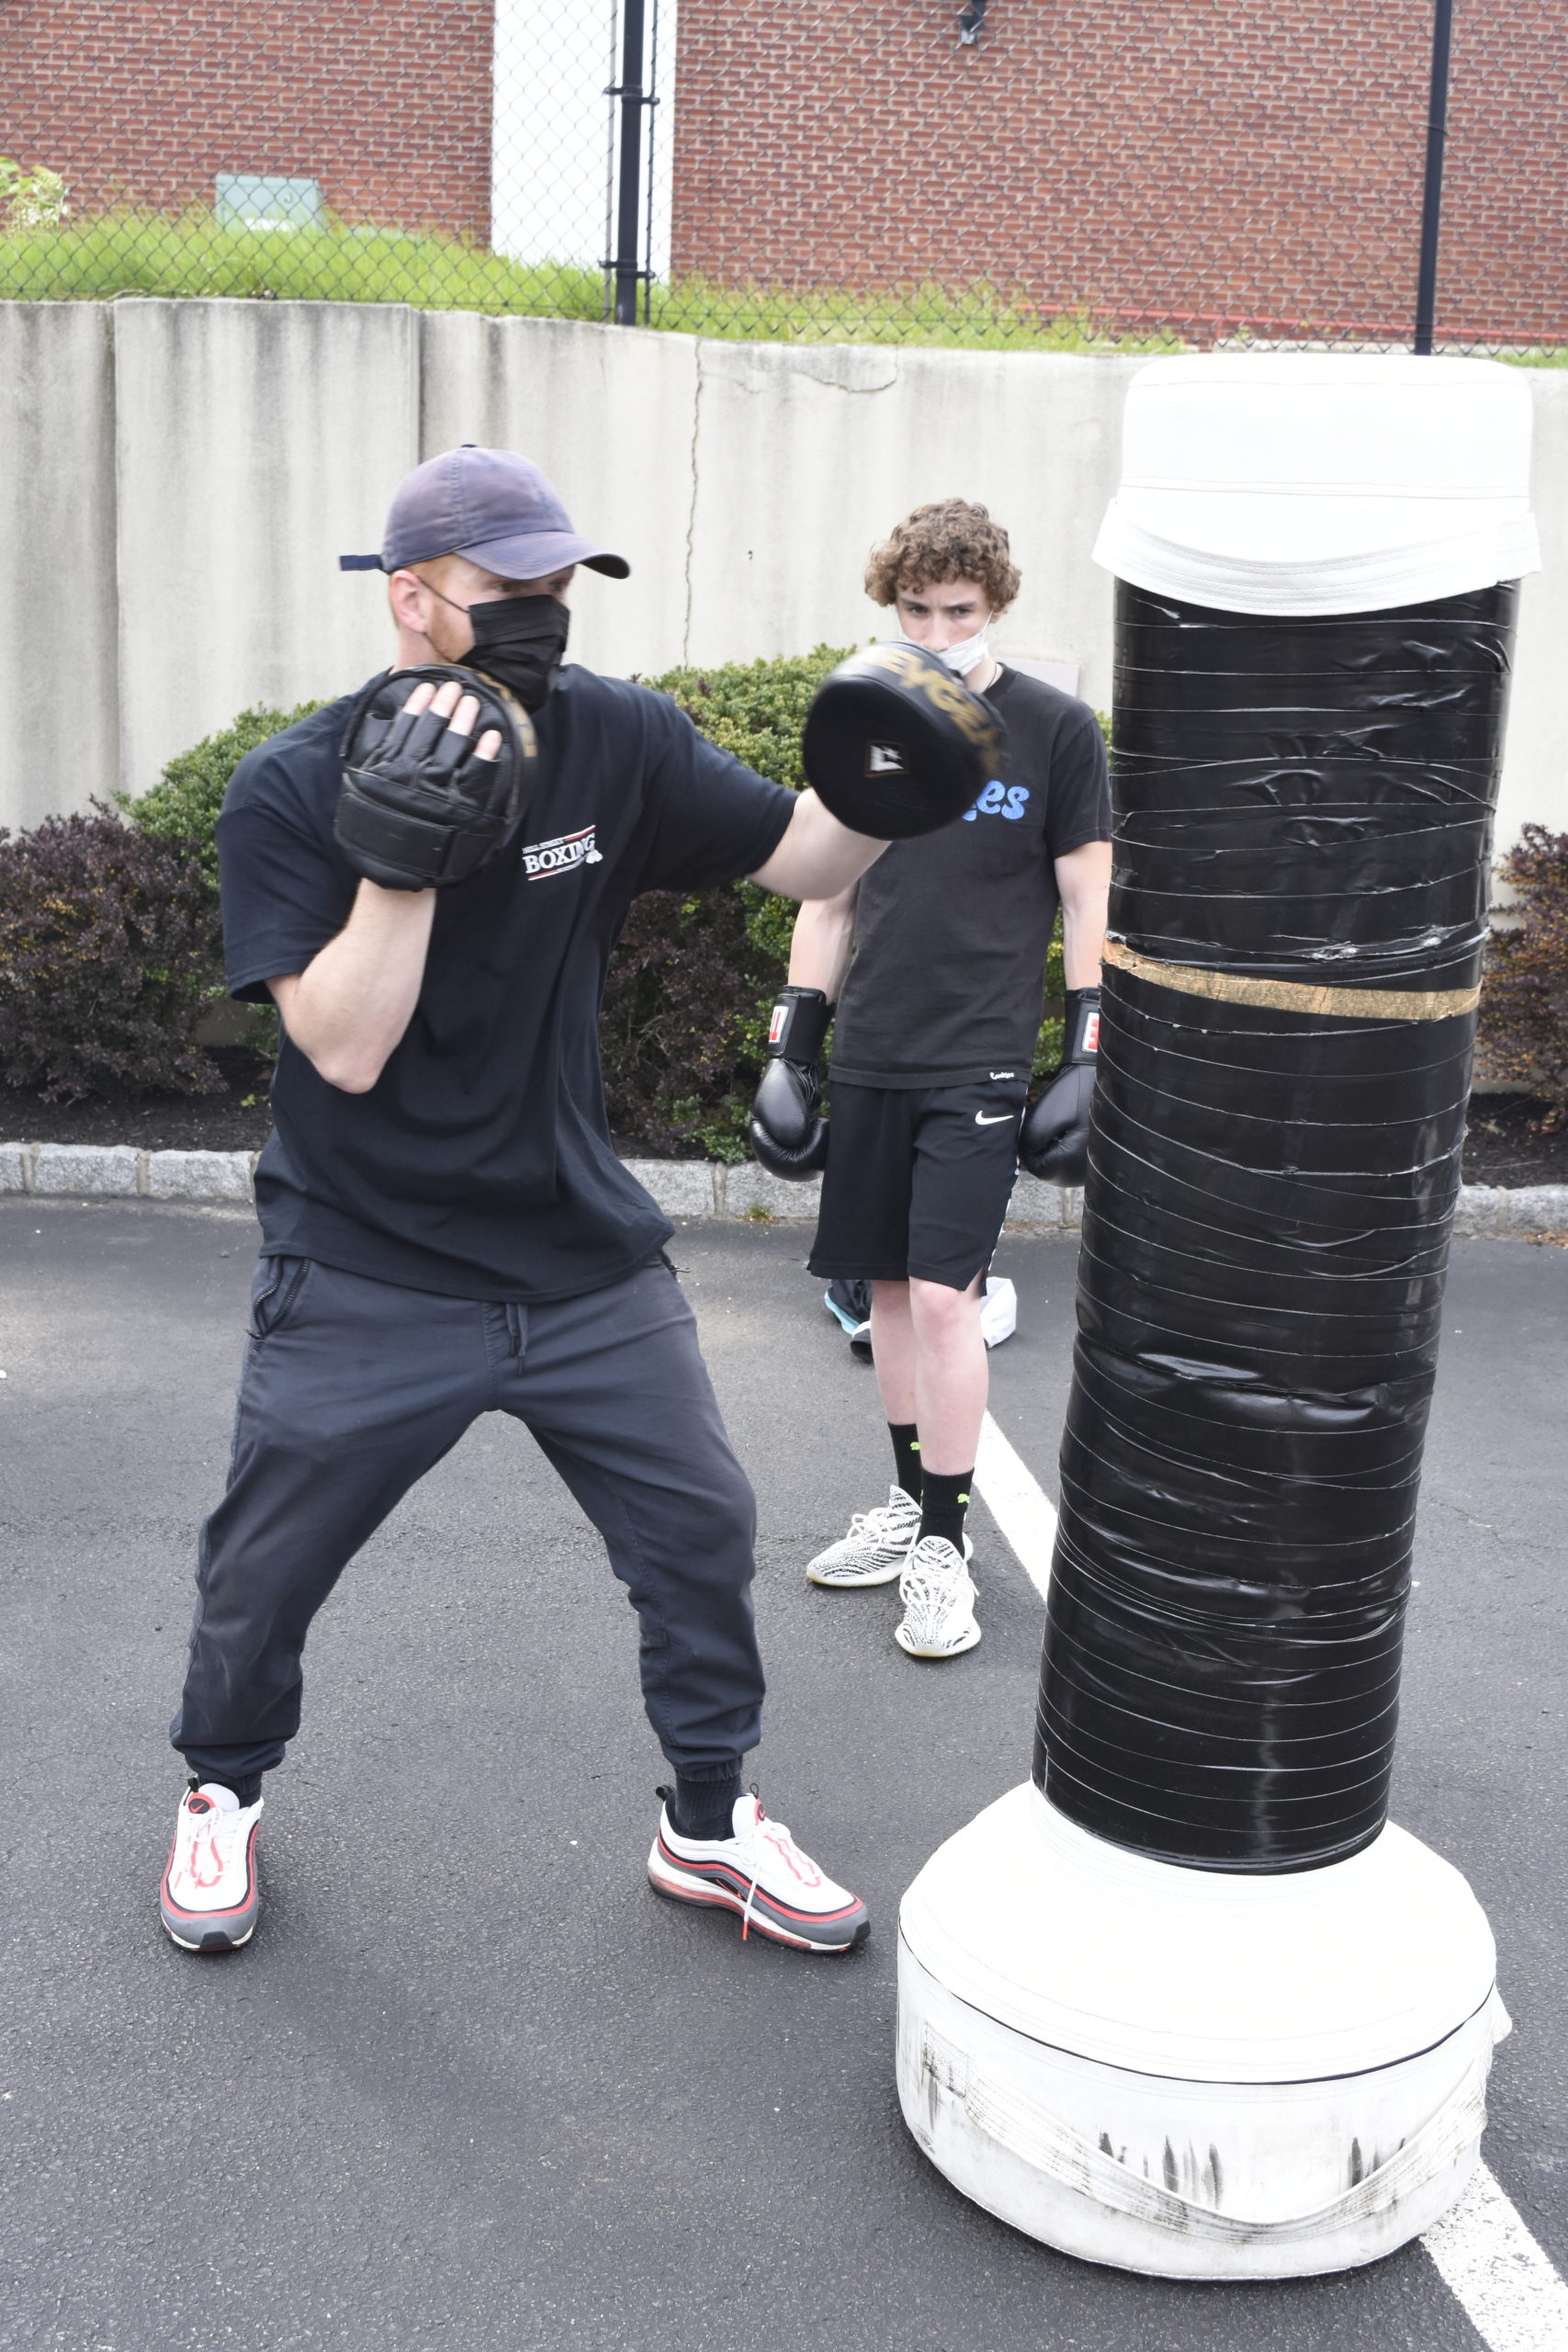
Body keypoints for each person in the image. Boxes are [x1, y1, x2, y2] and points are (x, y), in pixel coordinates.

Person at [158, 446, 932, 1961]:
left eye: (557, 584)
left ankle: (707, 1826)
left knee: (701, 1530)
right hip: (367, 1263)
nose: (543, 612)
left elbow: (804, 855)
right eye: (508, 587)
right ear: (411, 600)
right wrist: (402, 865)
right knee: (266, 1569)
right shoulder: (293, 787)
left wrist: (884, 773)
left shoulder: (613, 741)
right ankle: (219, 1791)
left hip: (578, 1261)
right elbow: (346, 1046)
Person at [752, 500, 1111, 1658]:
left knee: (950, 1296)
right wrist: (790, 1046)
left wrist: (1088, 1046)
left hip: (983, 1054)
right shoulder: (868, 718)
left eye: (959, 609)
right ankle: (912, 1504)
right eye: (916, 607)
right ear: (890, 604)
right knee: (891, 1299)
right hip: (876, 1049)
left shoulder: (1055, 729)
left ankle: (947, 1552)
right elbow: (827, 891)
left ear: (996, 605)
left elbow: (1086, 897)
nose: (937, 626)